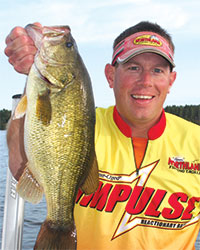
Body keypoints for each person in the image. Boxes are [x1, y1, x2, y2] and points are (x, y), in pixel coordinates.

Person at [4, 21, 200, 249]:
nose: (145, 81)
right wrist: (31, 77)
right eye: (133, 67)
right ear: (110, 75)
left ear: (170, 81)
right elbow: (20, 167)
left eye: (157, 70)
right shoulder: (83, 125)